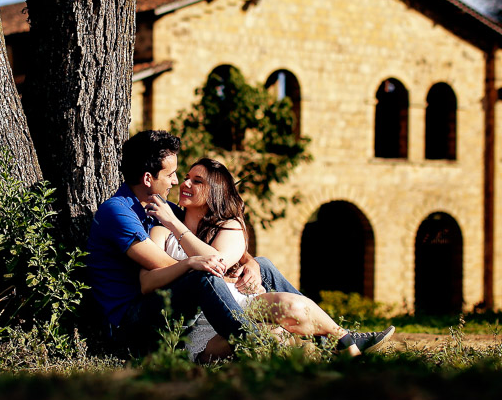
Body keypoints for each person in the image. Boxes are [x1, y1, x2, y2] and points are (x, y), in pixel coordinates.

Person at [85, 129, 392, 358]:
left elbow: (214, 248)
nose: (178, 182)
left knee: (264, 266)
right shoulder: (120, 211)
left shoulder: (163, 210)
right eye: (173, 175)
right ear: (149, 178)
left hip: (164, 303)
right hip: (132, 321)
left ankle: (337, 337)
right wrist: (196, 261)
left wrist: (250, 262)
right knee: (202, 277)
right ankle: (256, 344)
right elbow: (161, 268)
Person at [144, 157, 395, 362]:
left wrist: (177, 225)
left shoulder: (229, 227)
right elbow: (149, 281)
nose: (185, 183)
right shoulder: (162, 231)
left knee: (292, 306)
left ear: (214, 192)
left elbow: (216, 262)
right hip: (198, 325)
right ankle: (344, 343)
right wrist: (173, 227)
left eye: (197, 181)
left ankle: (344, 343)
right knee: (274, 339)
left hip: (241, 307)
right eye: (186, 177)